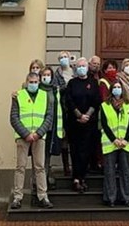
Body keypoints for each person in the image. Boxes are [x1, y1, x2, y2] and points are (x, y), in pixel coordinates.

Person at [9, 72, 54, 209]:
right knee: (20, 167)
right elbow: (13, 117)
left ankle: (43, 196)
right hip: (23, 137)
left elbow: (49, 117)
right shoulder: (19, 96)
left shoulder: (45, 96)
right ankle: (17, 197)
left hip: (39, 137)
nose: (33, 84)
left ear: (39, 82)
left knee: (40, 167)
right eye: (31, 82)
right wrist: (26, 134)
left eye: (36, 82)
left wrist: (39, 133)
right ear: (26, 82)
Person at [64, 57, 100, 193]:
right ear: (76, 68)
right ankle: (76, 178)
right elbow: (69, 100)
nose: (81, 68)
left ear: (87, 67)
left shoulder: (93, 82)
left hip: (89, 123)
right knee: (75, 150)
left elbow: (96, 100)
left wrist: (87, 115)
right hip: (74, 123)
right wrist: (79, 115)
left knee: (86, 151)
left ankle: (82, 177)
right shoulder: (72, 83)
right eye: (79, 66)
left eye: (84, 66)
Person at [100, 79, 129, 207]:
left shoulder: (128, 104)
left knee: (125, 171)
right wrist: (114, 139)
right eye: (115, 87)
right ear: (111, 90)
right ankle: (111, 198)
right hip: (110, 143)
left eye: (119, 87)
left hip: (125, 143)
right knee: (110, 171)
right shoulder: (104, 105)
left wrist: (125, 139)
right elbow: (104, 124)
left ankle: (126, 197)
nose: (117, 89)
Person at [39, 66, 65, 189]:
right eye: (44, 74)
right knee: (38, 157)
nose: (46, 77)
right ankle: (38, 182)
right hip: (38, 128)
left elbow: (60, 107)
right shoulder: (36, 89)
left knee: (48, 155)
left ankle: (45, 180)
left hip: (52, 128)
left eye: (48, 74)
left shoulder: (55, 91)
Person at [51, 52, 73, 176]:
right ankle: (66, 166)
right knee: (64, 138)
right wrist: (66, 86)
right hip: (63, 108)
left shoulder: (75, 71)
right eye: (61, 58)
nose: (64, 59)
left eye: (65, 57)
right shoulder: (57, 74)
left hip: (74, 108)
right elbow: (55, 89)